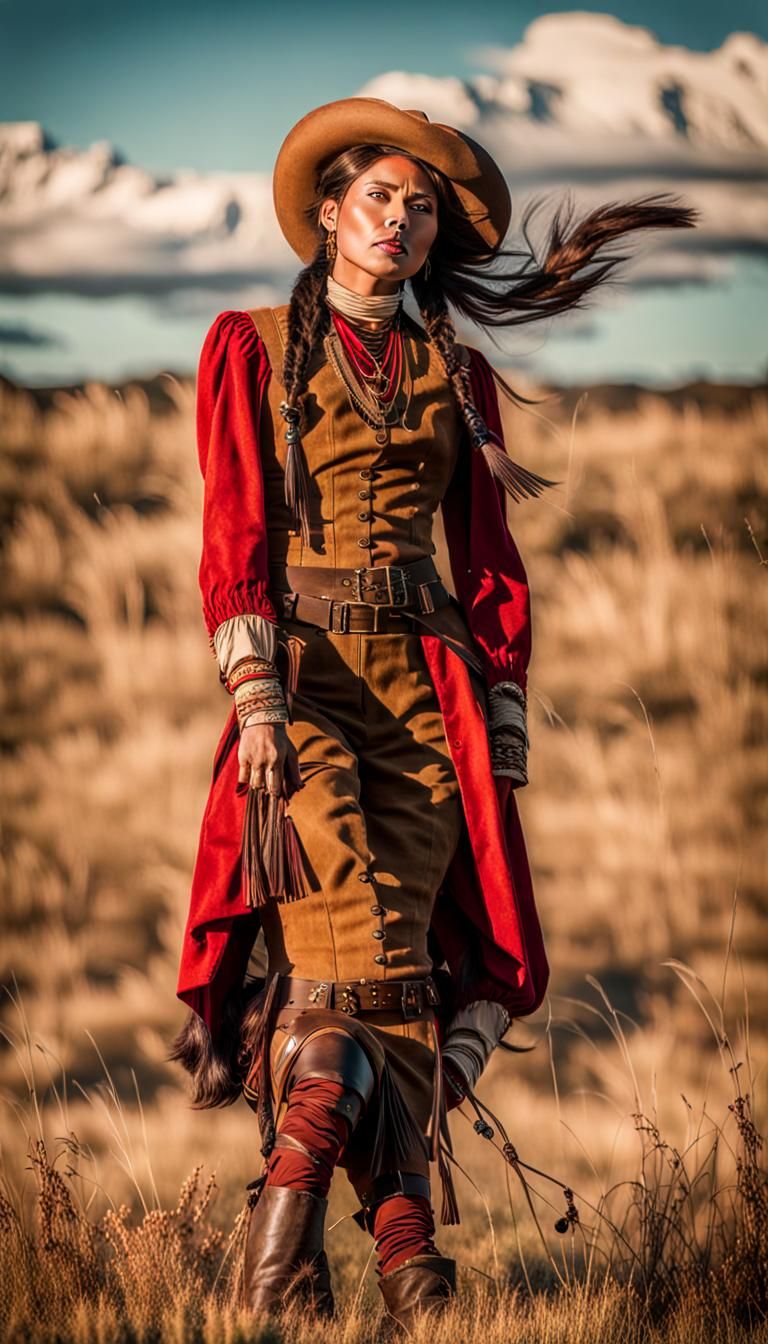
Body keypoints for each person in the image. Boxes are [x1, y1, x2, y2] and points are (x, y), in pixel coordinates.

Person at [171, 97, 696, 1334]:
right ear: (331, 216)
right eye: (377, 200)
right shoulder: (249, 345)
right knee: (350, 931)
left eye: (416, 208)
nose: (398, 221)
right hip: (301, 686)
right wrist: (252, 695)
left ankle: (388, 1271)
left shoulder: (458, 378)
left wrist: (501, 705)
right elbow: (234, 528)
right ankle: (332, 1249)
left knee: (391, 979)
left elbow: (491, 556)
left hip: (428, 692)